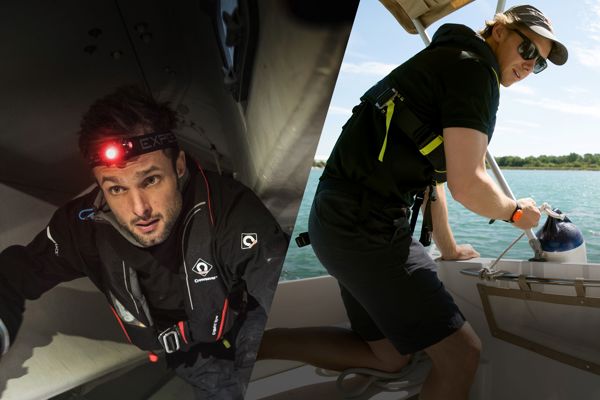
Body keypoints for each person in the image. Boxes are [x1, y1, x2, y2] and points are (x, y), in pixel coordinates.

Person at [258, 5, 567, 400]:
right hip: (366, 224)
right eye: (528, 50)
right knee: (461, 356)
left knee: (388, 357)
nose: (529, 65)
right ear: (501, 30)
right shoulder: (475, 71)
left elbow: (432, 180)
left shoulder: (446, 59)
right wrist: (516, 212)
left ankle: (253, 345)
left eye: (539, 64)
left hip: (335, 220)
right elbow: (468, 183)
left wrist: (449, 248)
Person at [0, 85, 288, 399]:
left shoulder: (231, 211)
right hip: (189, 355)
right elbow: (13, 276)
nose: (139, 209)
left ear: (179, 166)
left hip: (250, 323)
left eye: (150, 180)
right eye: (116, 189)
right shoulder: (81, 229)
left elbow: (277, 283)